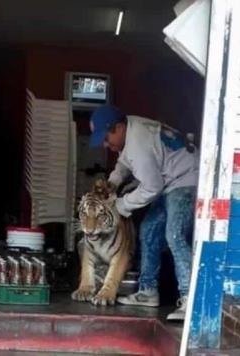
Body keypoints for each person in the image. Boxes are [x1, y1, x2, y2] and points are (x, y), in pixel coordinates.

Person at [89, 105, 198, 321]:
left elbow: (151, 187)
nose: (105, 144)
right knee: (149, 230)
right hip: (169, 181)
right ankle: (147, 291)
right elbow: (123, 162)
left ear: (118, 128)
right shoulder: (131, 125)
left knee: (174, 235)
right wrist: (112, 183)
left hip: (186, 180)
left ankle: (190, 300)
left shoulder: (139, 144)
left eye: (106, 137)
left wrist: (120, 206)